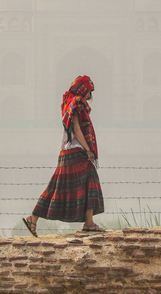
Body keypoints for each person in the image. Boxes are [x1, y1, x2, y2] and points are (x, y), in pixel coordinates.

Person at [23, 75, 105, 235]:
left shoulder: (70, 102)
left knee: (56, 186)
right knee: (91, 178)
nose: (89, 96)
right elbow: (75, 128)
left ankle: (33, 218)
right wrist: (88, 149)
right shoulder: (76, 103)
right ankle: (89, 223)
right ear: (83, 89)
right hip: (74, 150)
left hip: (67, 151)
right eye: (89, 91)